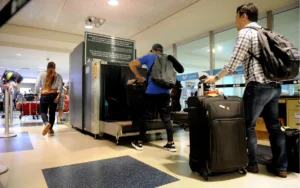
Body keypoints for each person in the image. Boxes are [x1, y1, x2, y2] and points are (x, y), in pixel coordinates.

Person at [204, 3, 288, 178]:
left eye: (236, 17)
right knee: (274, 126)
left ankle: (252, 164)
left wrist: (215, 78)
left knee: (247, 125)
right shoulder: (267, 32)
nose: (235, 22)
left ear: (243, 15)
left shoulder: (246, 33)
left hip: (257, 85)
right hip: (274, 86)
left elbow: (234, 61)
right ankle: (281, 167)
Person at [129, 43, 184, 152]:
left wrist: (139, 76)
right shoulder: (168, 59)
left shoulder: (150, 56)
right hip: (165, 92)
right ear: (161, 51)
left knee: (146, 117)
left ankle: (139, 142)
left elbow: (131, 64)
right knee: (166, 118)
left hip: (151, 92)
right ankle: (170, 143)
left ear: (153, 50)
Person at [35, 62, 63, 136]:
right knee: (52, 112)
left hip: (44, 95)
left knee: (43, 111)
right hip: (54, 95)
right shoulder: (58, 75)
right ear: (55, 67)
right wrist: (58, 96)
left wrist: (36, 94)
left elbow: (37, 85)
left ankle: (46, 123)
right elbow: (60, 87)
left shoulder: (41, 74)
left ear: (47, 67)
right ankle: (50, 129)